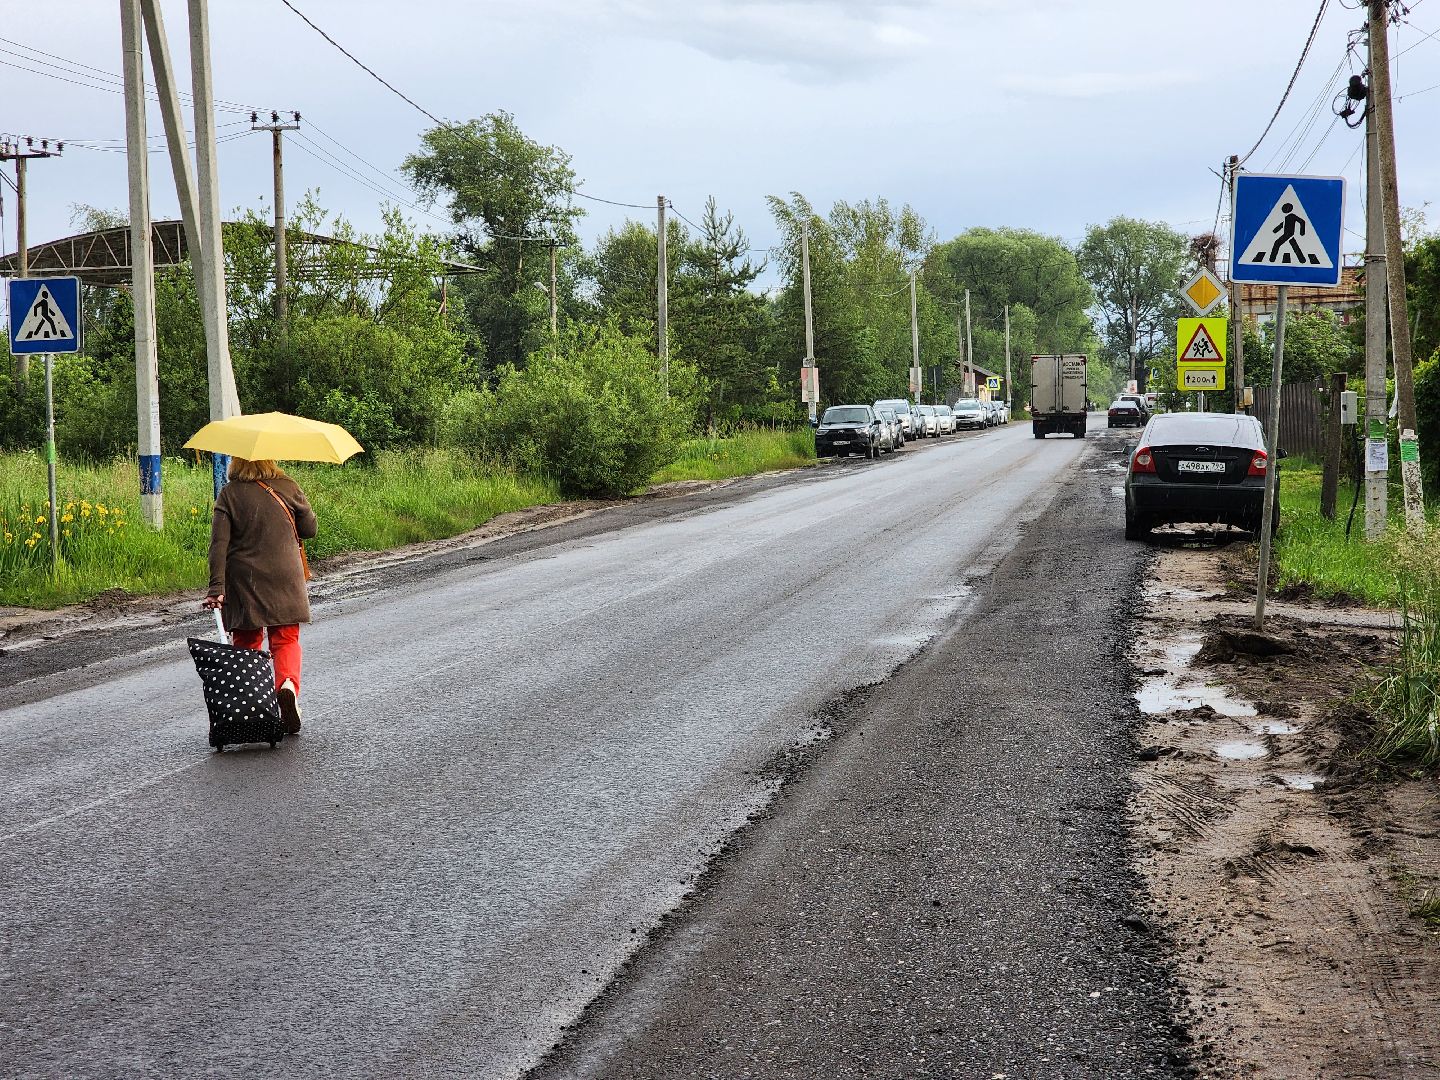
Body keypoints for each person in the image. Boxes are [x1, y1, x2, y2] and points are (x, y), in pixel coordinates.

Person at [202, 457, 317, 733]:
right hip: (284, 575)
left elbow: (218, 544)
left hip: (244, 581)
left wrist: (216, 588)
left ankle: (251, 705)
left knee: (247, 639)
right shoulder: (288, 486)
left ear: (236, 464)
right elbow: (310, 530)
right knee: (286, 637)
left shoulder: (229, 494)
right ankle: (287, 685)